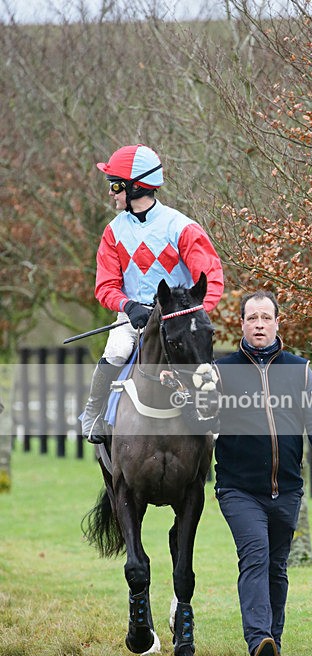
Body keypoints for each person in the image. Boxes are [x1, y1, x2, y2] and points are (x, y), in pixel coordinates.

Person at [214, 290, 312, 656]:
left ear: (276, 323)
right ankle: (258, 639)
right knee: (255, 556)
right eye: (251, 318)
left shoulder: (300, 370)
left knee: (276, 567)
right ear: (241, 324)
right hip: (238, 489)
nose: (258, 324)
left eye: (265, 318)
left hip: (287, 489)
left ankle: (273, 640)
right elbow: (198, 418)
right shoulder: (221, 372)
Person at [81, 143, 224, 443]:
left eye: (115, 185)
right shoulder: (113, 231)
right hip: (133, 314)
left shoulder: (182, 228)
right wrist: (128, 305)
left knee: (200, 362)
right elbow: (105, 286)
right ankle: (93, 412)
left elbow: (211, 278)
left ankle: (217, 422)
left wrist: (192, 316)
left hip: (179, 316)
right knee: (118, 351)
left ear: (136, 188)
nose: (111, 193)